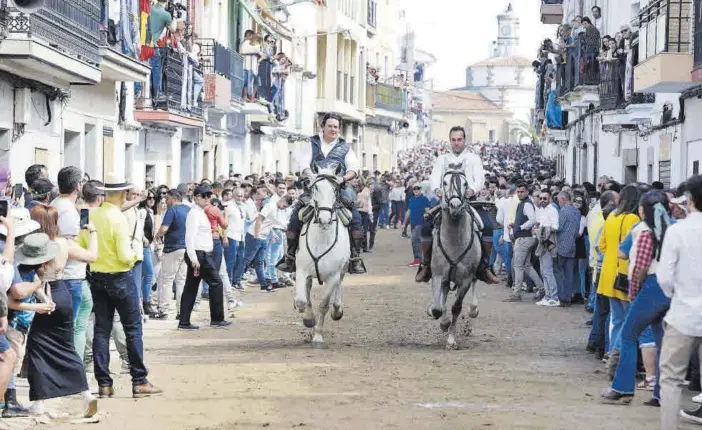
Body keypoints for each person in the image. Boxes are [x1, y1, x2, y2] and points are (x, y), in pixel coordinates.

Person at [89, 174, 161, 398]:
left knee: (102, 329)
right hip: (120, 275)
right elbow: (124, 254)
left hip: (97, 275)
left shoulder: (93, 214)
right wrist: (132, 257)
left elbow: (85, 245)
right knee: (132, 328)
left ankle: (104, 383)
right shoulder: (117, 217)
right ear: (122, 194)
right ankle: (139, 379)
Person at [276, 113, 366, 275]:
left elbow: (353, 168)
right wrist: (310, 175)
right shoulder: (311, 143)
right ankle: (290, 256)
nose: (333, 129)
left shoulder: (345, 147)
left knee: (356, 217)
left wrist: (342, 178)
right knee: (296, 215)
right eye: (330, 126)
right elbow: (304, 163)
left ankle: (355, 256)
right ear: (322, 126)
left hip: (338, 188)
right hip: (314, 187)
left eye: (336, 127)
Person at [415, 126, 498, 284]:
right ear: (450, 141)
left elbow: (479, 179)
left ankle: (486, 266)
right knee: (425, 227)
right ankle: (426, 265)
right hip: (447, 203)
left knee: (487, 226)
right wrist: (437, 189)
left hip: (470, 201)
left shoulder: (473, 158)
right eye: (453, 140)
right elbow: (435, 177)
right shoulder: (442, 159)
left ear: (464, 140)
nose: (456, 143)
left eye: (459, 140)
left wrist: (472, 189)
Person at [178, 185, 231, 330]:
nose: (207, 198)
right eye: (204, 196)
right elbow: (190, 237)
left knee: (191, 287)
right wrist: (193, 258)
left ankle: (184, 321)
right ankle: (217, 318)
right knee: (216, 282)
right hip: (199, 254)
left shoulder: (200, 212)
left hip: (200, 254)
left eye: (209, 196)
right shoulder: (194, 213)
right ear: (195, 198)